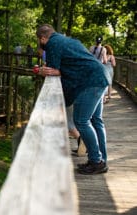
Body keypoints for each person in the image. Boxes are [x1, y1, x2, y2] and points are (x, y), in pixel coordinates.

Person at [36, 24, 109, 175]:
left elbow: (52, 69)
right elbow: (63, 68)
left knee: (81, 121)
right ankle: (100, 160)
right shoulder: (67, 40)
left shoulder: (52, 44)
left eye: (40, 41)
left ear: (43, 38)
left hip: (90, 82)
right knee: (96, 120)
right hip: (100, 75)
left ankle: (97, 162)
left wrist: (44, 71)